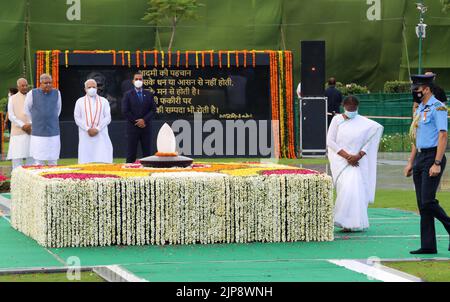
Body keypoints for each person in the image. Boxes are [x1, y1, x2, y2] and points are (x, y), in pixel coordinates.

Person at [404, 74, 450, 254]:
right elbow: (415, 138)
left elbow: (443, 135)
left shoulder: (438, 107)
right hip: (420, 157)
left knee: (428, 201)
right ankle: (428, 245)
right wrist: (410, 161)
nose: (415, 91)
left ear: (427, 89)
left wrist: (437, 162)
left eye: (418, 88)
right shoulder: (420, 108)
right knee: (422, 204)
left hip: (433, 156)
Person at [327, 96, 384, 232]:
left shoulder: (364, 122)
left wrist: (358, 155)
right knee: (344, 189)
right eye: (349, 108)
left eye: (353, 108)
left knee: (355, 190)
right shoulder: (337, 120)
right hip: (341, 161)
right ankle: (344, 221)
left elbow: (374, 133)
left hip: (358, 162)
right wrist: (347, 156)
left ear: (357, 107)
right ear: (343, 106)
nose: (351, 110)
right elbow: (330, 141)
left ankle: (352, 222)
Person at [24, 74, 62, 166]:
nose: (48, 85)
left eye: (50, 83)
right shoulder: (32, 93)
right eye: (46, 83)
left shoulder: (57, 93)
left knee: (53, 159)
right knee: (38, 159)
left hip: (53, 131)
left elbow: (58, 109)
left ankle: (53, 178)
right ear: (40, 83)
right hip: (38, 132)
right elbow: (26, 109)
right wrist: (34, 121)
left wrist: (50, 118)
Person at [74, 79, 113, 164]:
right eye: (89, 87)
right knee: (85, 162)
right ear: (85, 89)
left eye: (94, 87)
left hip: (101, 134)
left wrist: (97, 129)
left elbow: (108, 117)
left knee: (103, 160)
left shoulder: (104, 101)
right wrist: (87, 128)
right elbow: (77, 118)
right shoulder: (80, 101)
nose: (92, 89)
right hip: (85, 134)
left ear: (97, 88)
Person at [122, 72, 157, 163]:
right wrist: (137, 122)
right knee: (131, 154)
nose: (138, 81)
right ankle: (129, 173)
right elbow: (125, 111)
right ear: (133, 81)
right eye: (136, 79)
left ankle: (149, 172)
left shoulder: (148, 94)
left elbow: (153, 110)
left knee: (147, 154)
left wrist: (144, 120)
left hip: (146, 128)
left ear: (143, 81)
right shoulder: (128, 94)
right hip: (132, 128)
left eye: (140, 79)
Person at [6, 79, 33, 169]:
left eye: (26, 85)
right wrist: (23, 125)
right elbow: (11, 115)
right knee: (17, 159)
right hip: (17, 132)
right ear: (18, 87)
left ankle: (31, 181)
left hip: (31, 131)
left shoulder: (32, 97)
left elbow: (35, 113)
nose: (25, 87)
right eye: (22, 85)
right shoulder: (12, 98)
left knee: (31, 158)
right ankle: (16, 181)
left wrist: (30, 125)